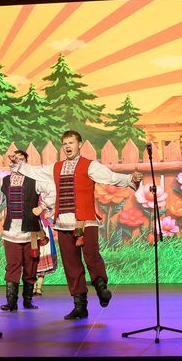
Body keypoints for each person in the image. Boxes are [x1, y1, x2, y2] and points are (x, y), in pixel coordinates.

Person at [12, 130, 143, 319]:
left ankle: (101, 287)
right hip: (63, 223)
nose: (67, 146)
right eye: (65, 143)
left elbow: (110, 177)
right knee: (71, 264)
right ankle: (80, 305)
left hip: (85, 221)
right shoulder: (56, 167)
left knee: (92, 256)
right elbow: (36, 172)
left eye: (71, 143)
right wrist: (19, 165)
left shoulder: (90, 166)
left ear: (79, 145)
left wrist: (130, 179)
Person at [0, 150, 56, 311]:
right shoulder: (5, 181)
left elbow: (53, 188)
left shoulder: (34, 180)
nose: (17, 162)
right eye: (15, 159)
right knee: (13, 266)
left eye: (21, 160)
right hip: (11, 233)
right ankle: (11, 302)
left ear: (26, 163)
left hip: (31, 233)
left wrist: (42, 206)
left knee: (30, 267)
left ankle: (28, 301)